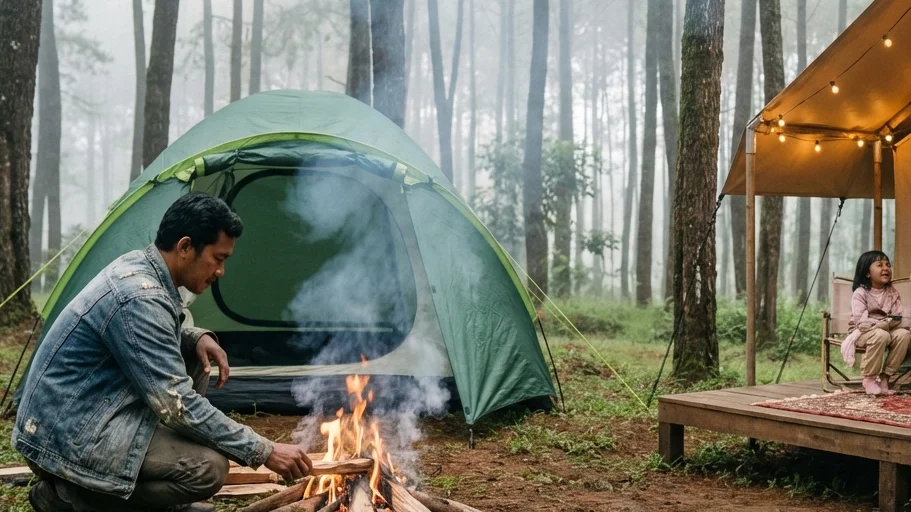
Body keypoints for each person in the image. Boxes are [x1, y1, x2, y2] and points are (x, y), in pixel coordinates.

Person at [14, 193, 313, 512]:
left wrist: (193, 337)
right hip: (62, 439)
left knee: (193, 358)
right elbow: (178, 404)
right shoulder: (139, 297)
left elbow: (136, 336)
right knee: (209, 468)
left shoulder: (141, 266)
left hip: (82, 415)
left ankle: (138, 496)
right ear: (185, 247)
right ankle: (70, 500)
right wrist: (265, 450)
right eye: (218, 258)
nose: (221, 271)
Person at [842, 250, 911, 395]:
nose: (886, 268)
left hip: (888, 330)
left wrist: (892, 322)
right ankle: (869, 379)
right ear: (868, 273)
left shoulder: (892, 293)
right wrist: (882, 323)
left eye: (888, 265)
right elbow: (861, 322)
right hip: (862, 333)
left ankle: (885, 378)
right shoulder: (860, 293)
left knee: (904, 335)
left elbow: (898, 316)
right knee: (880, 335)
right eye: (880, 265)